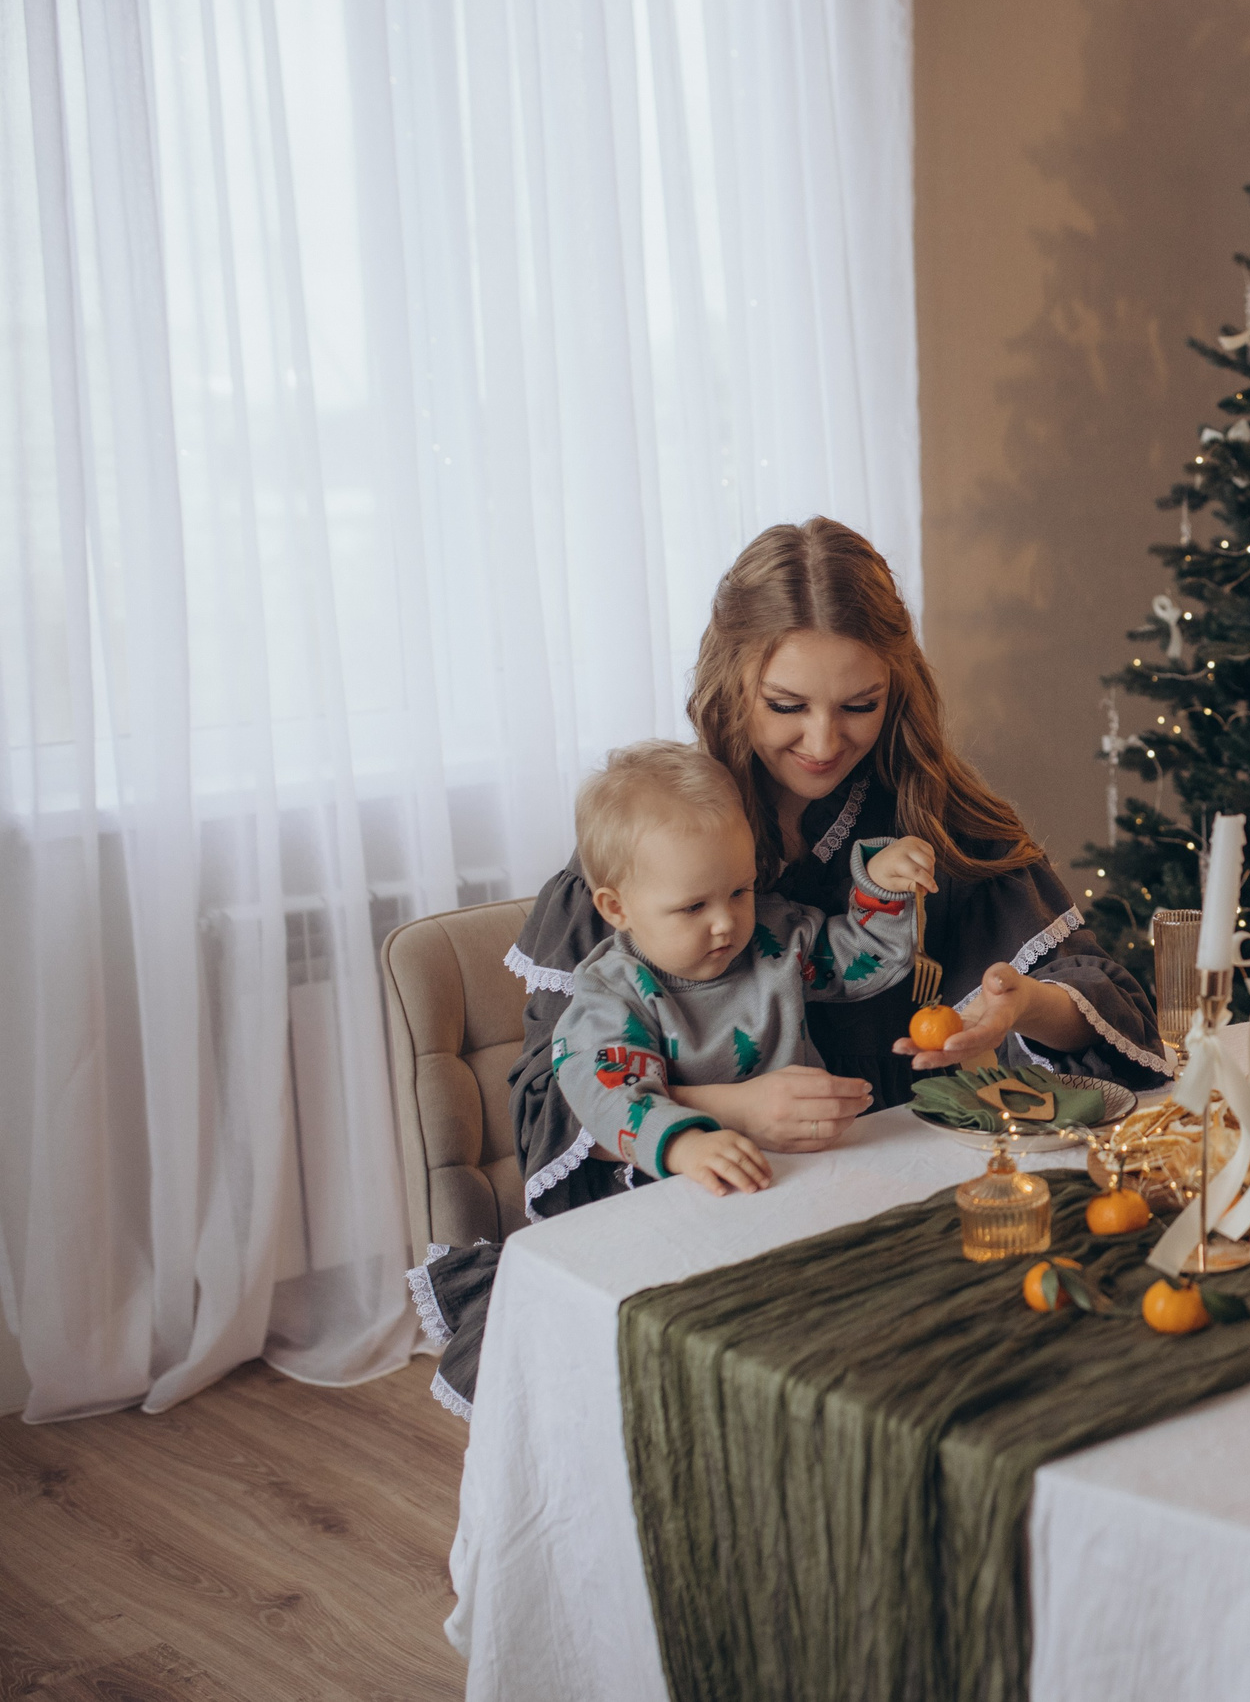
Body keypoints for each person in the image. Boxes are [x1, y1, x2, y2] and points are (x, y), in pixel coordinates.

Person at [408, 519, 1169, 1419]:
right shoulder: (660, 845)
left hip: (912, 1218)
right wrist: (727, 1109)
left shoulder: (931, 826)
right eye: (787, 705)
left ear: (899, 687)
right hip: (717, 1229)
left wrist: (1023, 1005)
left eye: (859, 704)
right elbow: (555, 1094)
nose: (822, 740)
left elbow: (1108, 1001)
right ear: (732, 681)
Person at [545, 740, 932, 1196]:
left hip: (813, 1173)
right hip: (694, 1189)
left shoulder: (774, 938)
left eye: (739, 891)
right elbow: (609, 1094)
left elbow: (866, 961)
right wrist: (685, 1147)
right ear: (617, 908)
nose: (726, 923)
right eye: (693, 907)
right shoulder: (613, 993)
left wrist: (880, 887)